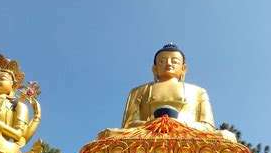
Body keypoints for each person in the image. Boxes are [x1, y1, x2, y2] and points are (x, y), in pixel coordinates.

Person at [97, 43, 236, 142]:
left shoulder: (198, 91)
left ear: (183, 69)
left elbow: (207, 127)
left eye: (174, 61)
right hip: (147, 137)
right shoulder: (139, 91)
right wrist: (155, 124)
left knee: (226, 137)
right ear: (155, 69)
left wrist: (176, 124)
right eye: (162, 61)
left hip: (187, 137)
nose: (168, 64)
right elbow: (129, 125)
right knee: (108, 135)